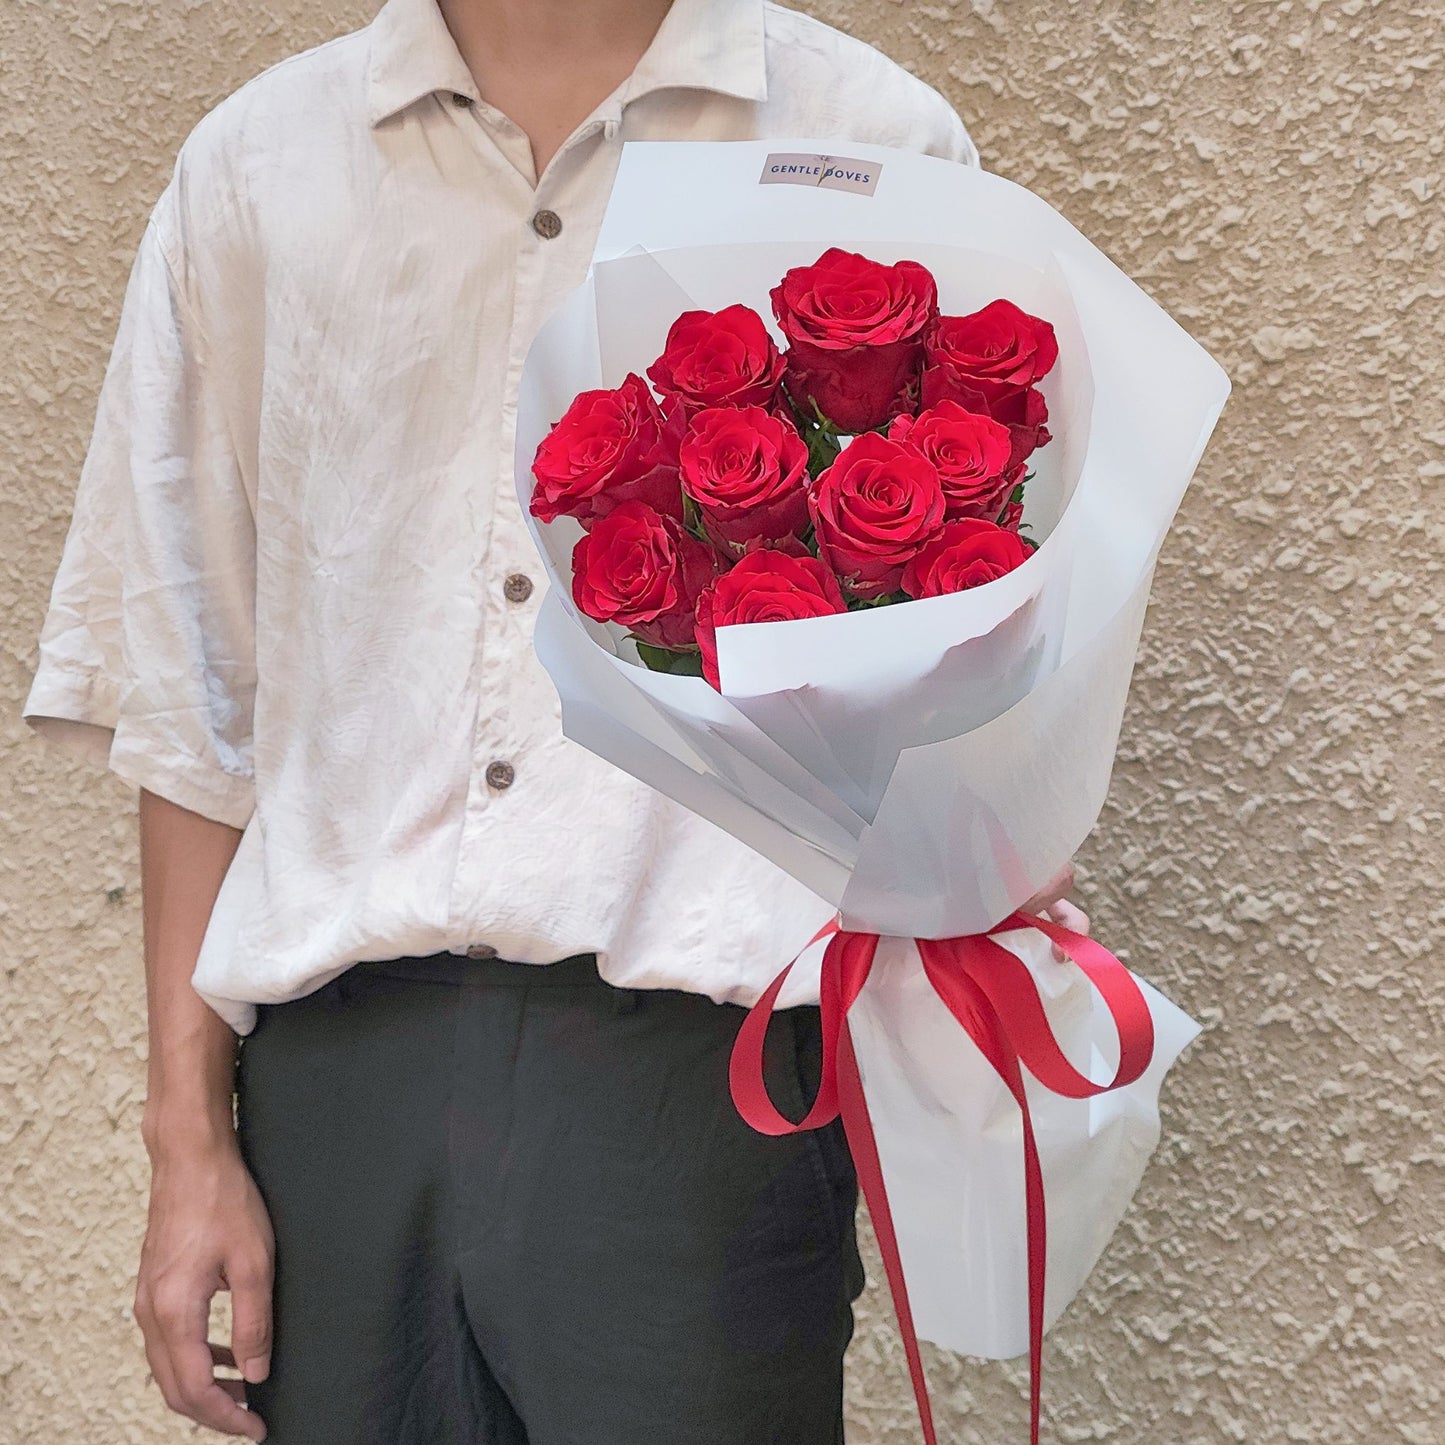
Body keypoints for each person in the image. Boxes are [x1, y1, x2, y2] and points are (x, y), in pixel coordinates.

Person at [22, 0, 1088, 1440]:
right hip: (335, 1088)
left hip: (700, 1095)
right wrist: (187, 1137)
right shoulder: (259, 170)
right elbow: (193, 694)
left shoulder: (868, 140)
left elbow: (978, 646)